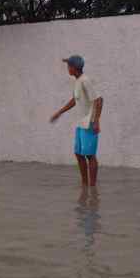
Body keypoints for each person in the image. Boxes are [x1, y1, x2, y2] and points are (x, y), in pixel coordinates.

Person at [50, 55, 104, 186]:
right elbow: (75, 100)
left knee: (90, 155)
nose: (67, 68)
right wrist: (60, 112)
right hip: (80, 124)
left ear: (74, 68)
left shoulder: (86, 81)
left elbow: (99, 100)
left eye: (68, 66)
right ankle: (85, 184)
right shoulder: (78, 81)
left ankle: (92, 186)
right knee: (78, 154)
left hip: (89, 124)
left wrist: (96, 121)